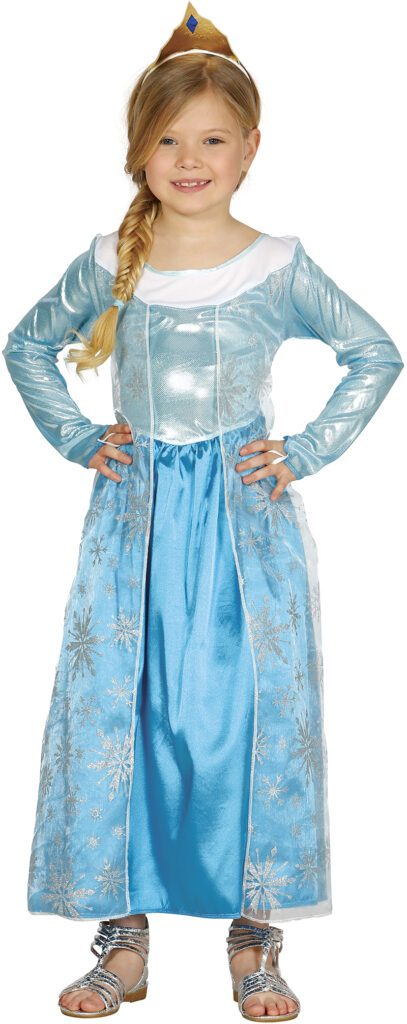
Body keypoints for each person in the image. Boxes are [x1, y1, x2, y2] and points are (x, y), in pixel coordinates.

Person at [3, 3, 404, 1021]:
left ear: (250, 148)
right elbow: (26, 345)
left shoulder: (278, 265)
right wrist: (79, 436)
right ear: (138, 148)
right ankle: (123, 939)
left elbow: (373, 352)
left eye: (213, 140)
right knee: (125, 710)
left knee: (246, 715)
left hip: (240, 528)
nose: (190, 160)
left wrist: (302, 450)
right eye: (170, 140)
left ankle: (254, 936)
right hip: (132, 524)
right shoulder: (112, 260)